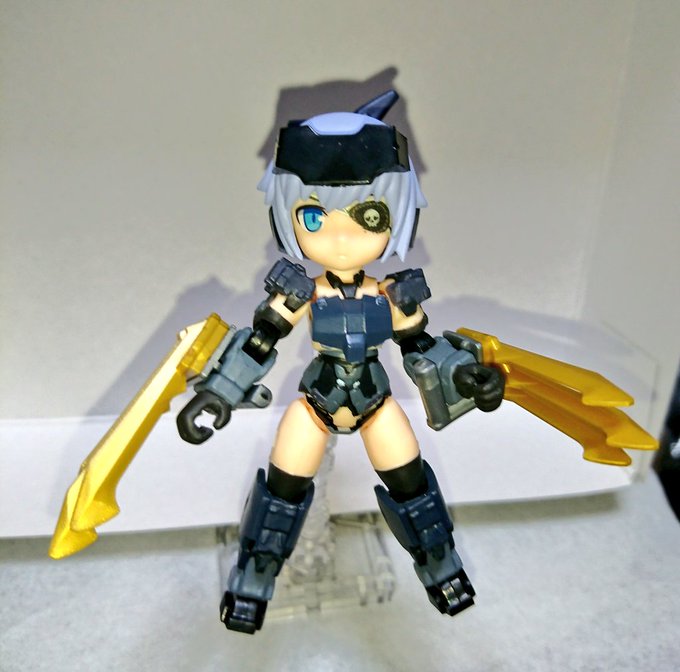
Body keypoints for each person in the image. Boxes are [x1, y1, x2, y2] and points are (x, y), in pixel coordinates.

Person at [176, 91, 505, 634]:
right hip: (317, 402)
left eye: (367, 216)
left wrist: (465, 375)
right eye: (314, 216)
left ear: (396, 214)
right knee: (282, 493)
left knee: (414, 491)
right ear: (288, 217)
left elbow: (420, 346)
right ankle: (254, 577)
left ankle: (440, 565)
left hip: (375, 402)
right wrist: (218, 394)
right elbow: (259, 342)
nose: (341, 235)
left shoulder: (392, 294)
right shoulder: (301, 291)